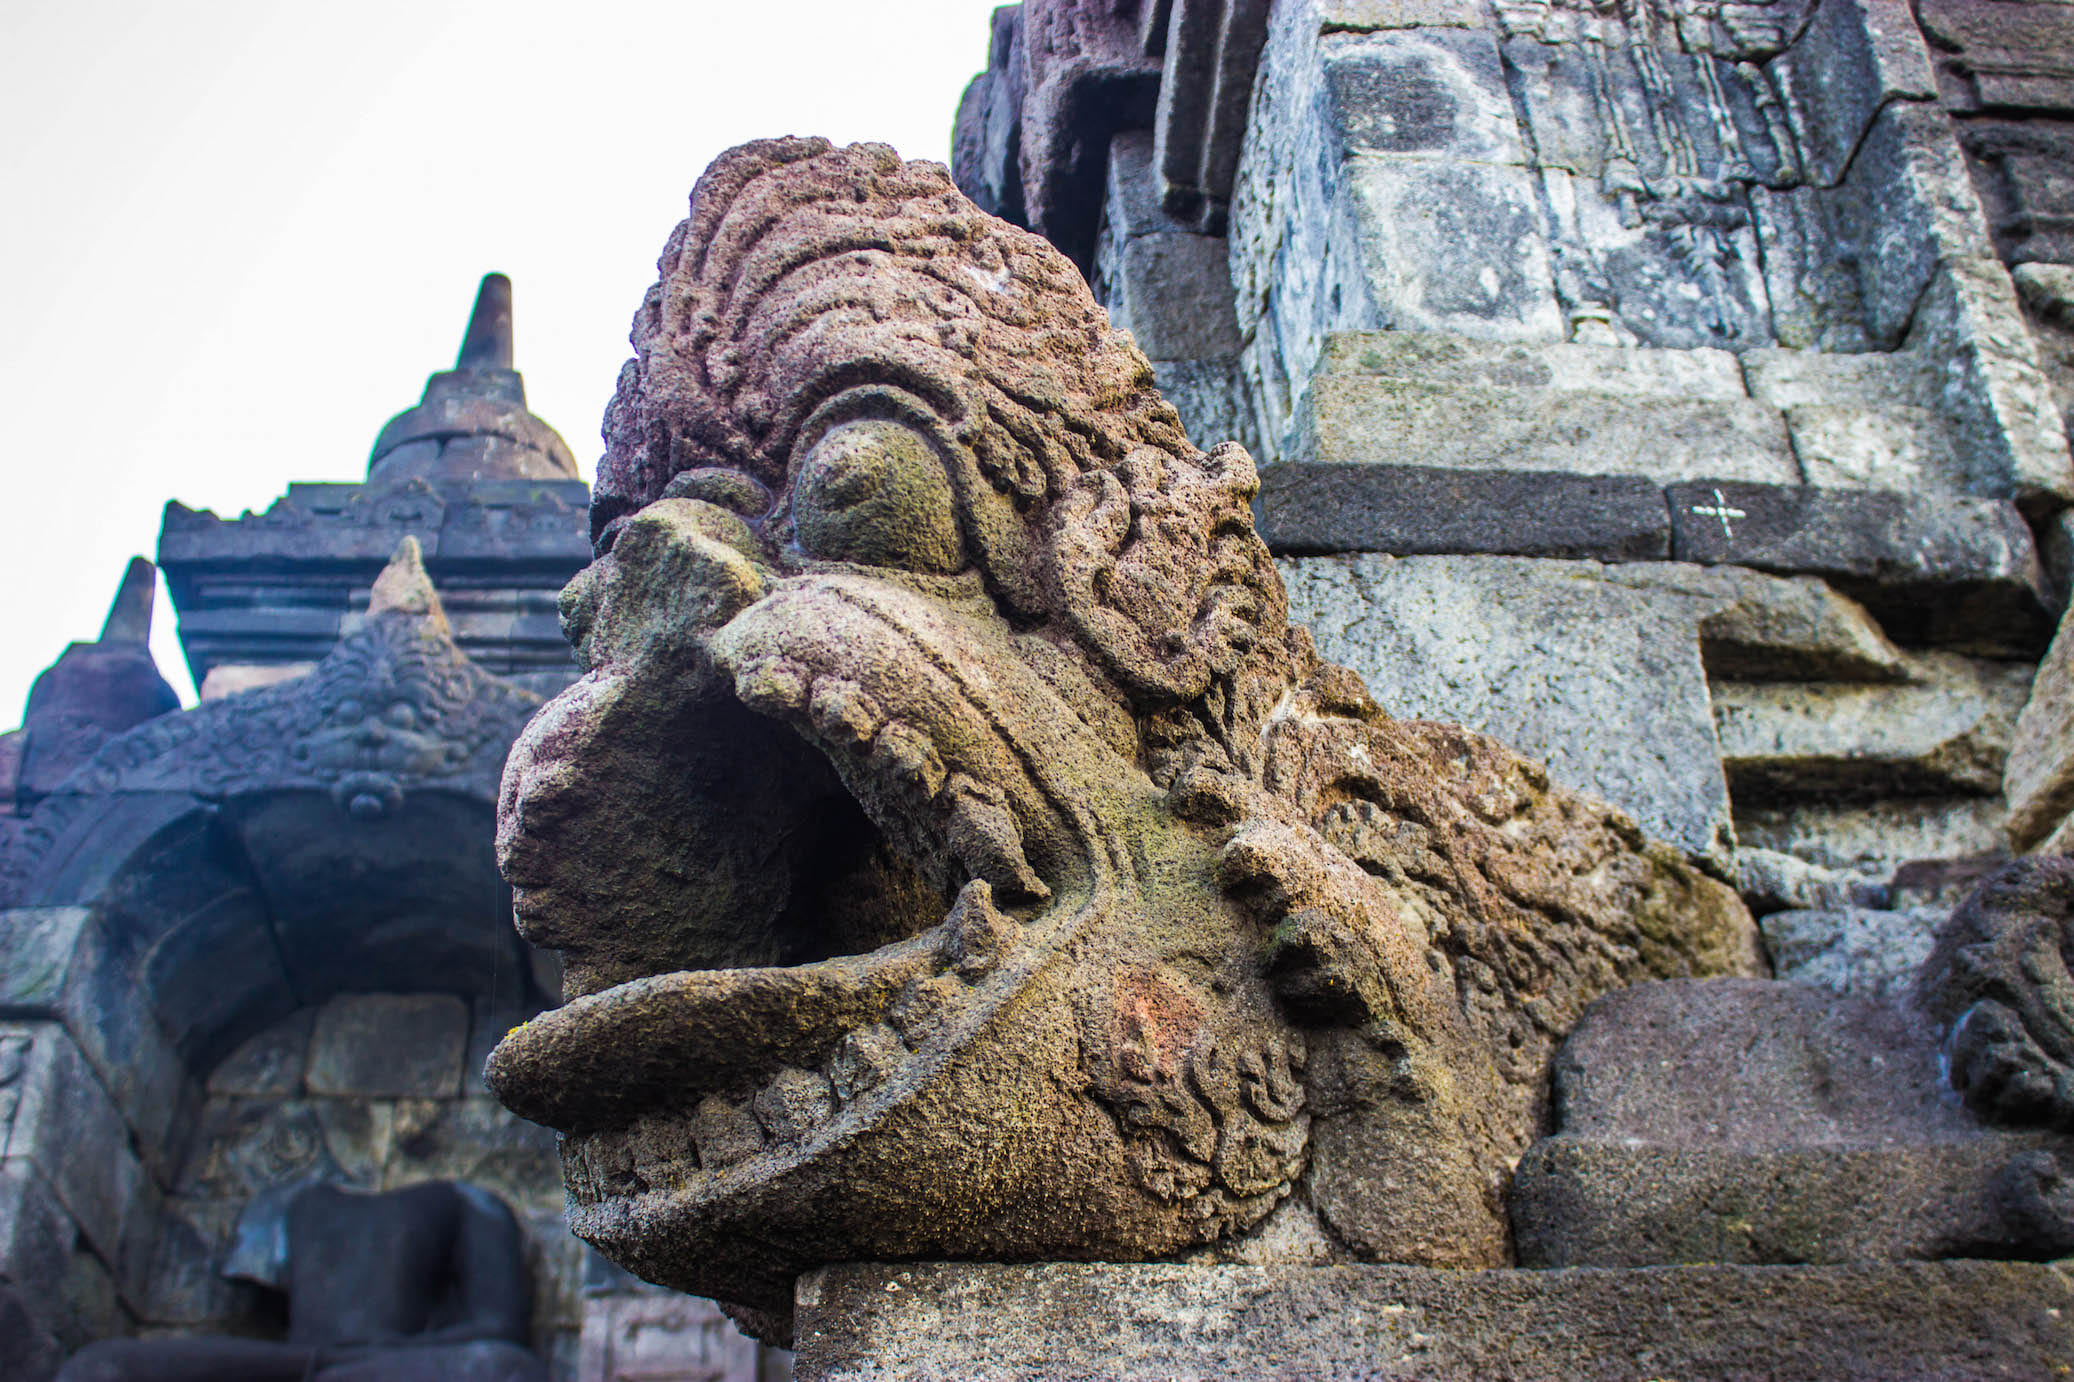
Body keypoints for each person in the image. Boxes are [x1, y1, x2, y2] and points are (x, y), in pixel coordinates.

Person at [57, 1180, 546, 1382]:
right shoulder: (290, 1199)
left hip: (390, 1365)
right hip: (295, 1363)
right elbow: (248, 1299)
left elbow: (500, 1331)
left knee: (502, 1369)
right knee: (97, 1367)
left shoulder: (468, 1201)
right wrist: (317, 1363)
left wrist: (376, 1354)